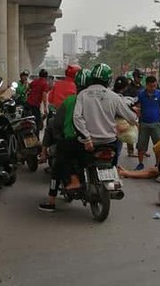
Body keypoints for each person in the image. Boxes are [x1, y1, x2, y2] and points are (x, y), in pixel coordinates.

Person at [39, 69, 91, 212]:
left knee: (57, 166)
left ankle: (51, 201)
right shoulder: (99, 100)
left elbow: (57, 122)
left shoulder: (70, 99)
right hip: (98, 141)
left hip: (73, 140)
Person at [73, 63, 138, 165]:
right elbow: (132, 117)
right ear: (109, 80)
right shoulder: (114, 97)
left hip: (89, 142)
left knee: (81, 168)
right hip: (110, 141)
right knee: (113, 167)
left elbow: (77, 117)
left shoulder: (82, 95)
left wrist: (87, 138)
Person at [135, 76, 160, 170]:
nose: (153, 88)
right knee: (141, 145)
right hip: (144, 124)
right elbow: (138, 108)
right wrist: (136, 121)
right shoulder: (141, 95)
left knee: (158, 146)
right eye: (151, 86)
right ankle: (140, 163)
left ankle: (158, 163)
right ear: (146, 85)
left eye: (155, 86)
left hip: (156, 124)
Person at [123, 69, 144, 157]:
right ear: (134, 77)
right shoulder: (128, 88)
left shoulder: (142, 88)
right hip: (131, 112)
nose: (140, 79)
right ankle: (130, 151)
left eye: (141, 77)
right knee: (130, 132)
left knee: (142, 132)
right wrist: (132, 108)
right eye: (138, 77)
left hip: (141, 112)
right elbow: (124, 100)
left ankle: (141, 150)